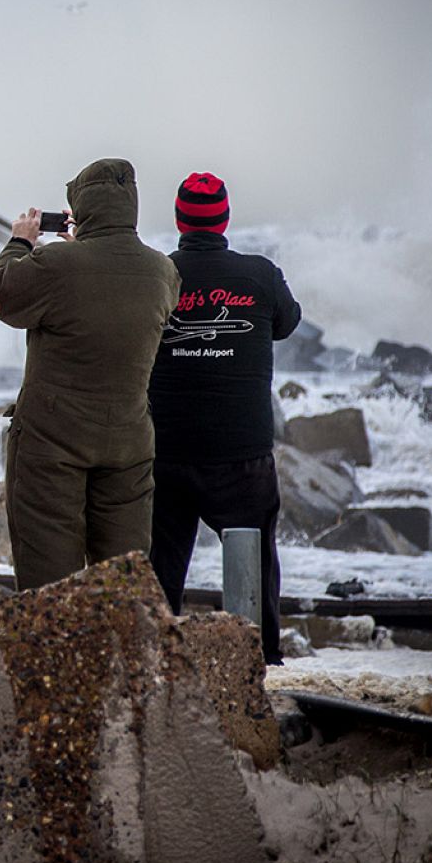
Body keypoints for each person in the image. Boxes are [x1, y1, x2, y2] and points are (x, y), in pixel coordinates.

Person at [0, 158, 179, 591]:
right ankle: (125, 654)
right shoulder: (162, 271)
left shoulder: (58, 264)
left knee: (50, 576)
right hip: (129, 440)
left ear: (83, 208)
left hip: (53, 439)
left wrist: (20, 243)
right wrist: (82, 248)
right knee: (124, 576)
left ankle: (56, 659)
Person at [147, 172, 301, 665]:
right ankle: (260, 661)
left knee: (161, 568)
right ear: (225, 220)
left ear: (178, 220)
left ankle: (160, 664)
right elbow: (286, 322)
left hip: (165, 447)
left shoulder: (158, 274)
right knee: (254, 563)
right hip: (242, 454)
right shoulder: (258, 274)